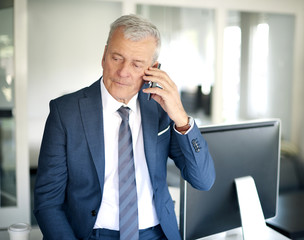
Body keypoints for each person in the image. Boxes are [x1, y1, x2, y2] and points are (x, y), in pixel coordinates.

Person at [34, 14, 215, 240]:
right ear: (104, 56)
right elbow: (48, 202)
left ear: (153, 68)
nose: (123, 72)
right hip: (93, 235)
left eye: (137, 64)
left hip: (157, 234)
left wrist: (180, 116)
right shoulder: (65, 112)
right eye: (116, 58)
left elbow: (203, 180)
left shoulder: (160, 109)